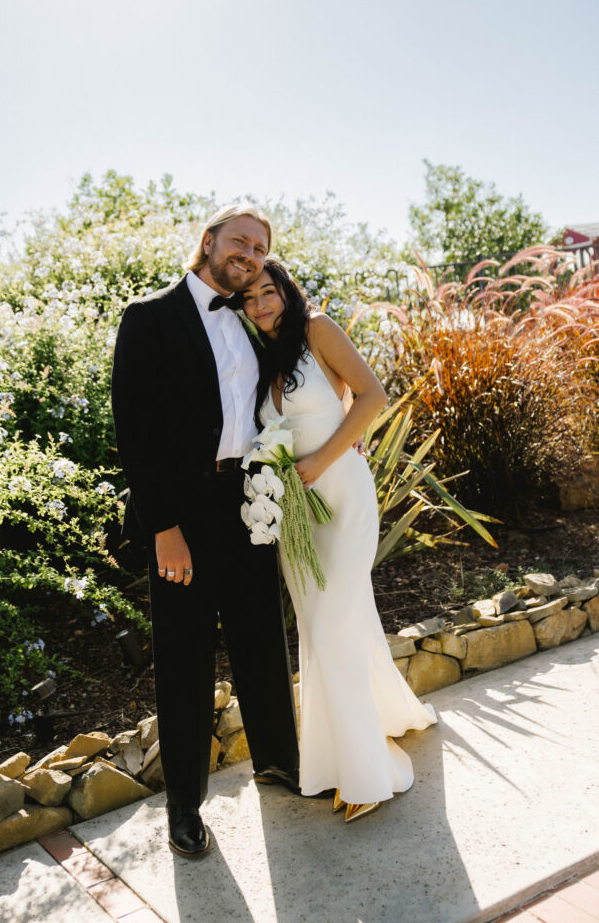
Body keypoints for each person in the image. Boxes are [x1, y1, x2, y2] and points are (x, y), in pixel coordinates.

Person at [111, 207, 299, 859]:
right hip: (181, 516)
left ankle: (278, 761)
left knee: (261, 642)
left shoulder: (251, 324)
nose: (250, 253)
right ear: (208, 242)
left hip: (246, 503)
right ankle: (184, 812)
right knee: (186, 662)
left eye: (260, 247)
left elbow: (281, 397)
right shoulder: (148, 317)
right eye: (240, 241)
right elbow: (133, 434)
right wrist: (163, 528)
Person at [241, 258, 438, 822]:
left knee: (331, 621)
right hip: (297, 507)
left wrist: (325, 456)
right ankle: (382, 718)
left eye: (268, 291)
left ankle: (366, 774)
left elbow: (372, 395)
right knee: (326, 621)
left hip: (343, 496)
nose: (260, 304)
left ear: (285, 290)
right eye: (249, 298)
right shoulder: (262, 356)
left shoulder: (317, 328)